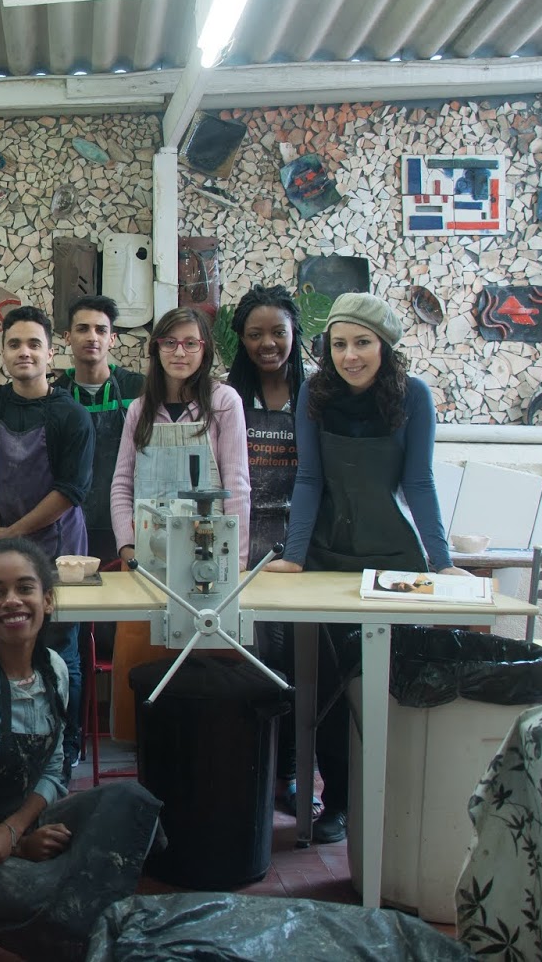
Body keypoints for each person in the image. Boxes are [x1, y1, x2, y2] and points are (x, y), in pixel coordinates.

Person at [264, 292, 469, 844]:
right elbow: (309, 480)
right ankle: (337, 803)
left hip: (394, 558)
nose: (349, 356)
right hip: (328, 556)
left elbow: (419, 482)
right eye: (339, 344)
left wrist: (443, 562)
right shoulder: (314, 395)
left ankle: (399, 804)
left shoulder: (414, 396)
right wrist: (295, 556)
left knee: (392, 683)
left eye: (362, 343)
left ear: (385, 346)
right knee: (329, 686)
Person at [0, 538, 163, 961]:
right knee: (62, 903)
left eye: (25, 588)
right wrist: (14, 844)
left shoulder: (54, 670)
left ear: (48, 600)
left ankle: (69, 917)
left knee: (132, 802)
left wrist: (17, 829)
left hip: (20, 824)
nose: (12, 601)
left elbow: (54, 767)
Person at [0, 306, 94, 767]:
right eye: (15, 344)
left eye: (34, 344)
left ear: (50, 353)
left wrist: (11, 536)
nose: (24, 352)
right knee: (10, 644)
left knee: (62, 649)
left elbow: (70, 491)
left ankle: (67, 744)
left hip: (61, 550)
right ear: (3, 352)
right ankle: (16, 741)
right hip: (6, 546)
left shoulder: (71, 415)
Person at [225, 284, 310, 814]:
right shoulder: (227, 396)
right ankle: (252, 768)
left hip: (300, 545)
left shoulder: (315, 395)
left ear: (294, 333)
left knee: (299, 662)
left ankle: (295, 771)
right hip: (242, 543)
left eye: (278, 332)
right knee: (255, 662)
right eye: (255, 334)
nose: (267, 344)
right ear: (241, 339)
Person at [111, 306, 251, 573]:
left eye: (190, 343)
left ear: (204, 350)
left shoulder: (224, 402)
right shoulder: (139, 409)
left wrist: (236, 557)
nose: (179, 352)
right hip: (146, 550)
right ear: (156, 348)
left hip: (210, 548)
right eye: (169, 342)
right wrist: (126, 545)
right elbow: (122, 483)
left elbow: (237, 483)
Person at [55, 295, 145, 565]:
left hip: (128, 525)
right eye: (82, 329)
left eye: (101, 330)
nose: (92, 337)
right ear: (67, 337)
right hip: (67, 525)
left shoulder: (139, 390)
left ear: (112, 339)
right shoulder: (55, 397)